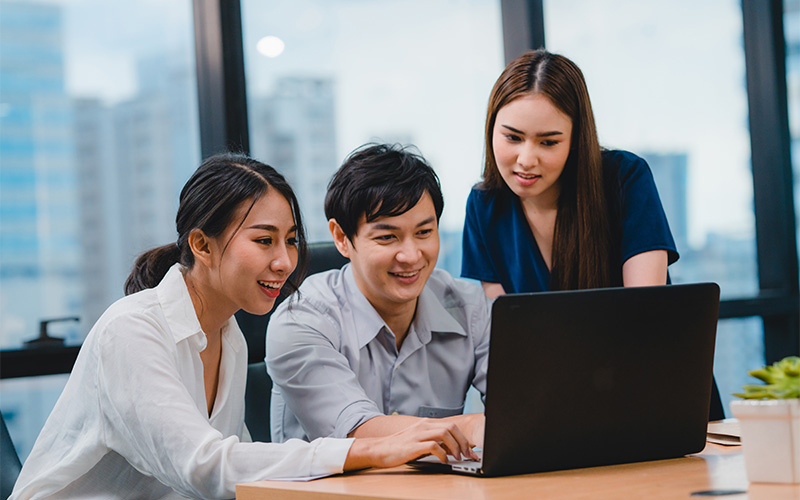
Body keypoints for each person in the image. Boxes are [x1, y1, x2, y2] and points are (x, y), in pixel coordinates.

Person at [11, 153, 474, 500]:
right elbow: (206, 465)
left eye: (290, 240)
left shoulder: (226, 335)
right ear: (202, 245)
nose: (285, 261)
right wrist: (372, 450)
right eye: (264, 240)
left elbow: (241, 467)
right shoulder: (132, 329)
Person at [266, 144, 488, 458]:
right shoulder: (302, 320)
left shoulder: (470, 308)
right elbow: (359, 432)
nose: (411, 256)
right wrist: (475, 427)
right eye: (387, 237)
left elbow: (524, 411)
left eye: (424, 232)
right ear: (342, 238)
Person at [462, 49, 679, 298]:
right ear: (491, 128)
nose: (526, 160)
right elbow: (505, 325)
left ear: (576, 139)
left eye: (548, 142)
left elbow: (645, 309)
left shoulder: (624, 178)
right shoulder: (484, 206)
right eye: (513, 137)